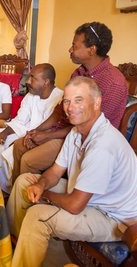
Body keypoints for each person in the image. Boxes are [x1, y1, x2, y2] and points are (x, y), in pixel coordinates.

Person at [6, 76, 137, 267]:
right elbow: (55, 171)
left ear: (97, 103)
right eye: (67, 101)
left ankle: (24, 258)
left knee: (37, 216)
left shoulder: (103, 144)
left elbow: (75, 205)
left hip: (111, 218)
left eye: (79, 100)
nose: (70, 107)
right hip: (87, 196)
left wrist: (44, 194)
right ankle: (17, 245)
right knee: (24, 182)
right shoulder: (76, 132)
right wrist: (40, 184)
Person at [10, 21, 128, 182]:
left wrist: (47, 136)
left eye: (74, 45)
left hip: (81, 141)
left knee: (28, 160)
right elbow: (59, 110)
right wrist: (36, 131)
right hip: (63, 132)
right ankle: (15, 192)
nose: (70, 49)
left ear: (91, 49)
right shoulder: (79, 73)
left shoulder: (112, 82)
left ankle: (31, 201)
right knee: (19, 145)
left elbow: (91, 129)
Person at [0, 63, 63, 193]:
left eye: (33, 78)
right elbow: (21, 119)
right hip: (25, 130)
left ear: (46, 82)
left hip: (46, 138)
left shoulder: (60, 97)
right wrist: (5, 132)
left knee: (15, 145)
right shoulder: (31, 95)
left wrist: (33, 136)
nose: (28, 81)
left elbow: (55, 128)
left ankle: (9, 188)